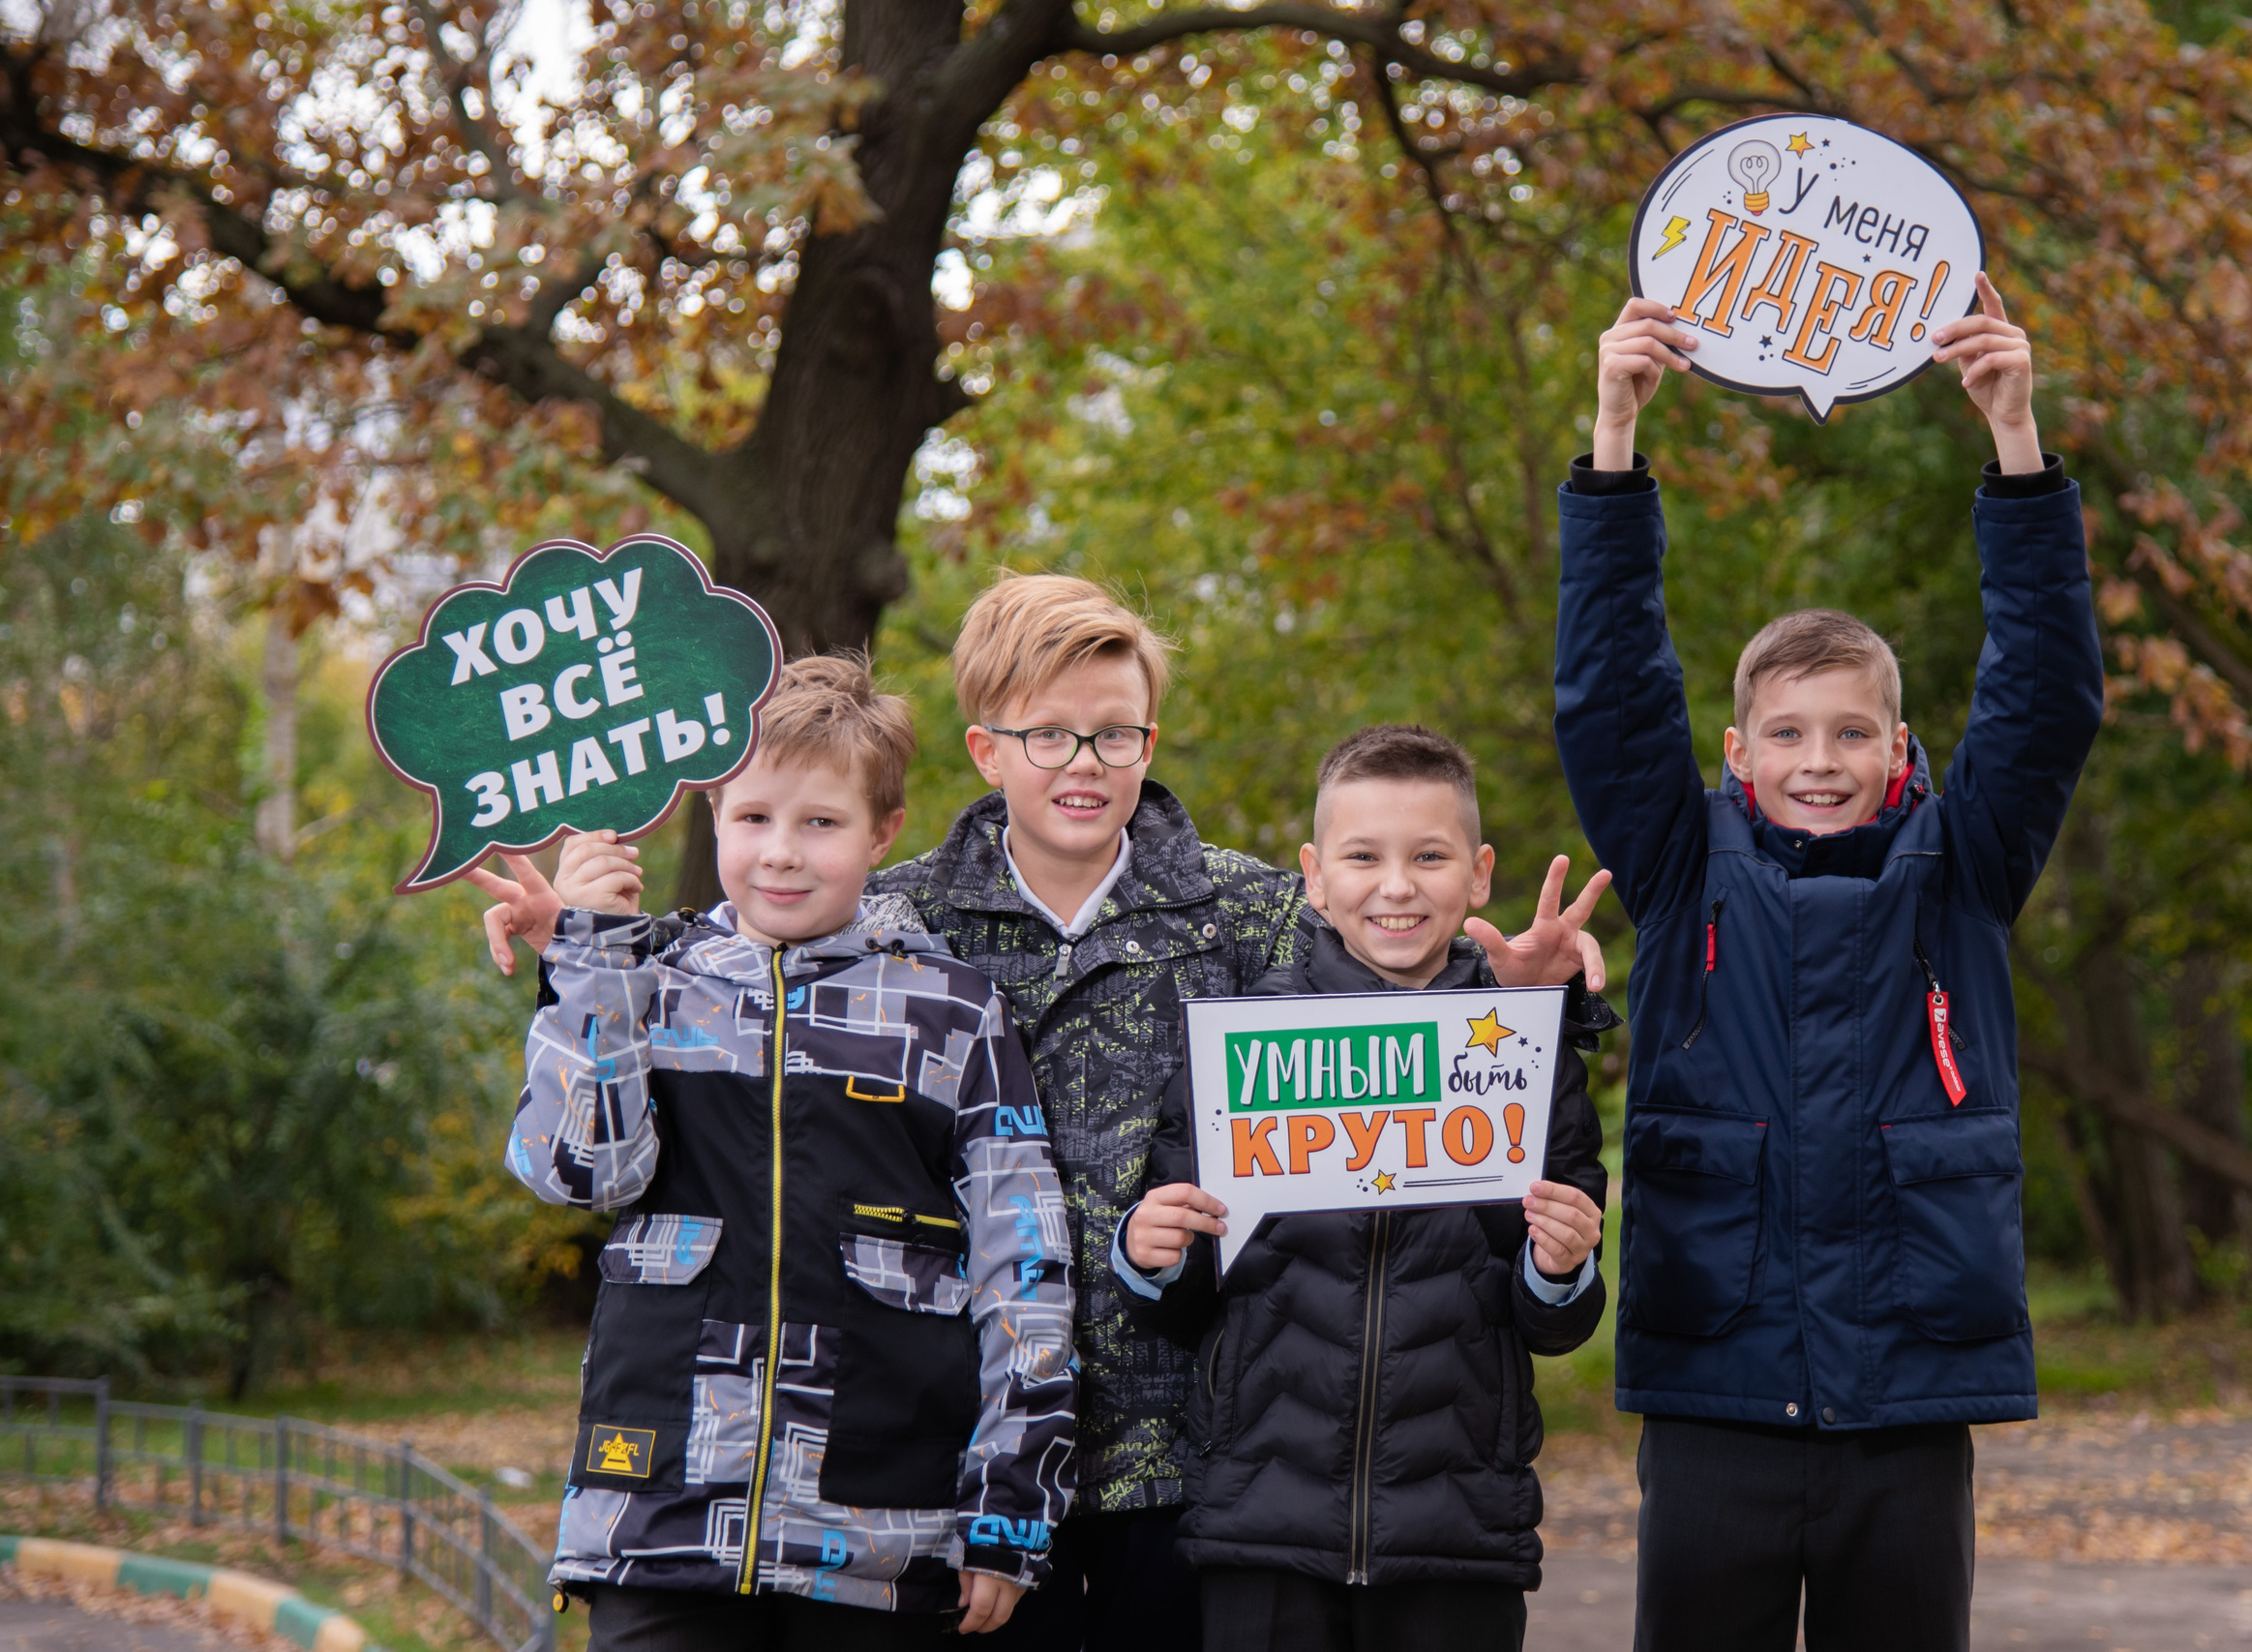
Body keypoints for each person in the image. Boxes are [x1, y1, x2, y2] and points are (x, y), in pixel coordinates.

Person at [479, 577, 1607, 1652]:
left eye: (1115, 734)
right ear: (988, 748)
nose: (1085, 762)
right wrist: (576, 942)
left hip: (1182, 1449)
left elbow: (1399, 1013)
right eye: (1048, 735)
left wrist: (1514, 1000)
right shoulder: (895, 911)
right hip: (950, 1447)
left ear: (1150, 741)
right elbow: (742, 963)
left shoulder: (1250, 912)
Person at [1556, 278, 2105, 1651]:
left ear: (1900, 750)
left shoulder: (1963, 868)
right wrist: (1616, 435)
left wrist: (2016, 445)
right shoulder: (1685, 867)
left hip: (1907, 1397)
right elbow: (1612, 684)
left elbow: (2047, 697)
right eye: (1788, 733)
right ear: (1737, 752)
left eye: (1851, 732)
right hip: (1717, 1396)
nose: (1818, 760)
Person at [475, 656, 1075, 1651]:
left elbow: (1027, 1269)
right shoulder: (648, 977)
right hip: (656, 1519)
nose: (781, 855)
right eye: (753, 819)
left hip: (879, 1536)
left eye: (821, 824)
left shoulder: (952, 1013)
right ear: (713, 814)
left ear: (882, 832)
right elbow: (580, 1174)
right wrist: (587, 958)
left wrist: (1013, 1506)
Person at [1109, 723, 1615, 1652]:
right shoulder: (1244, 1047)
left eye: (1429, 855)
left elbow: (1557, 1321)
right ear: (1313, 873)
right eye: (1363, 855)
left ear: (1477, 872)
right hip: (1261, 1530)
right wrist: (1147, 1254)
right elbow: (1184, 1303)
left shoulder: (1523, 1053)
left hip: (1458, 1535)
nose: (1395, 885)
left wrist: (1560, 1264)